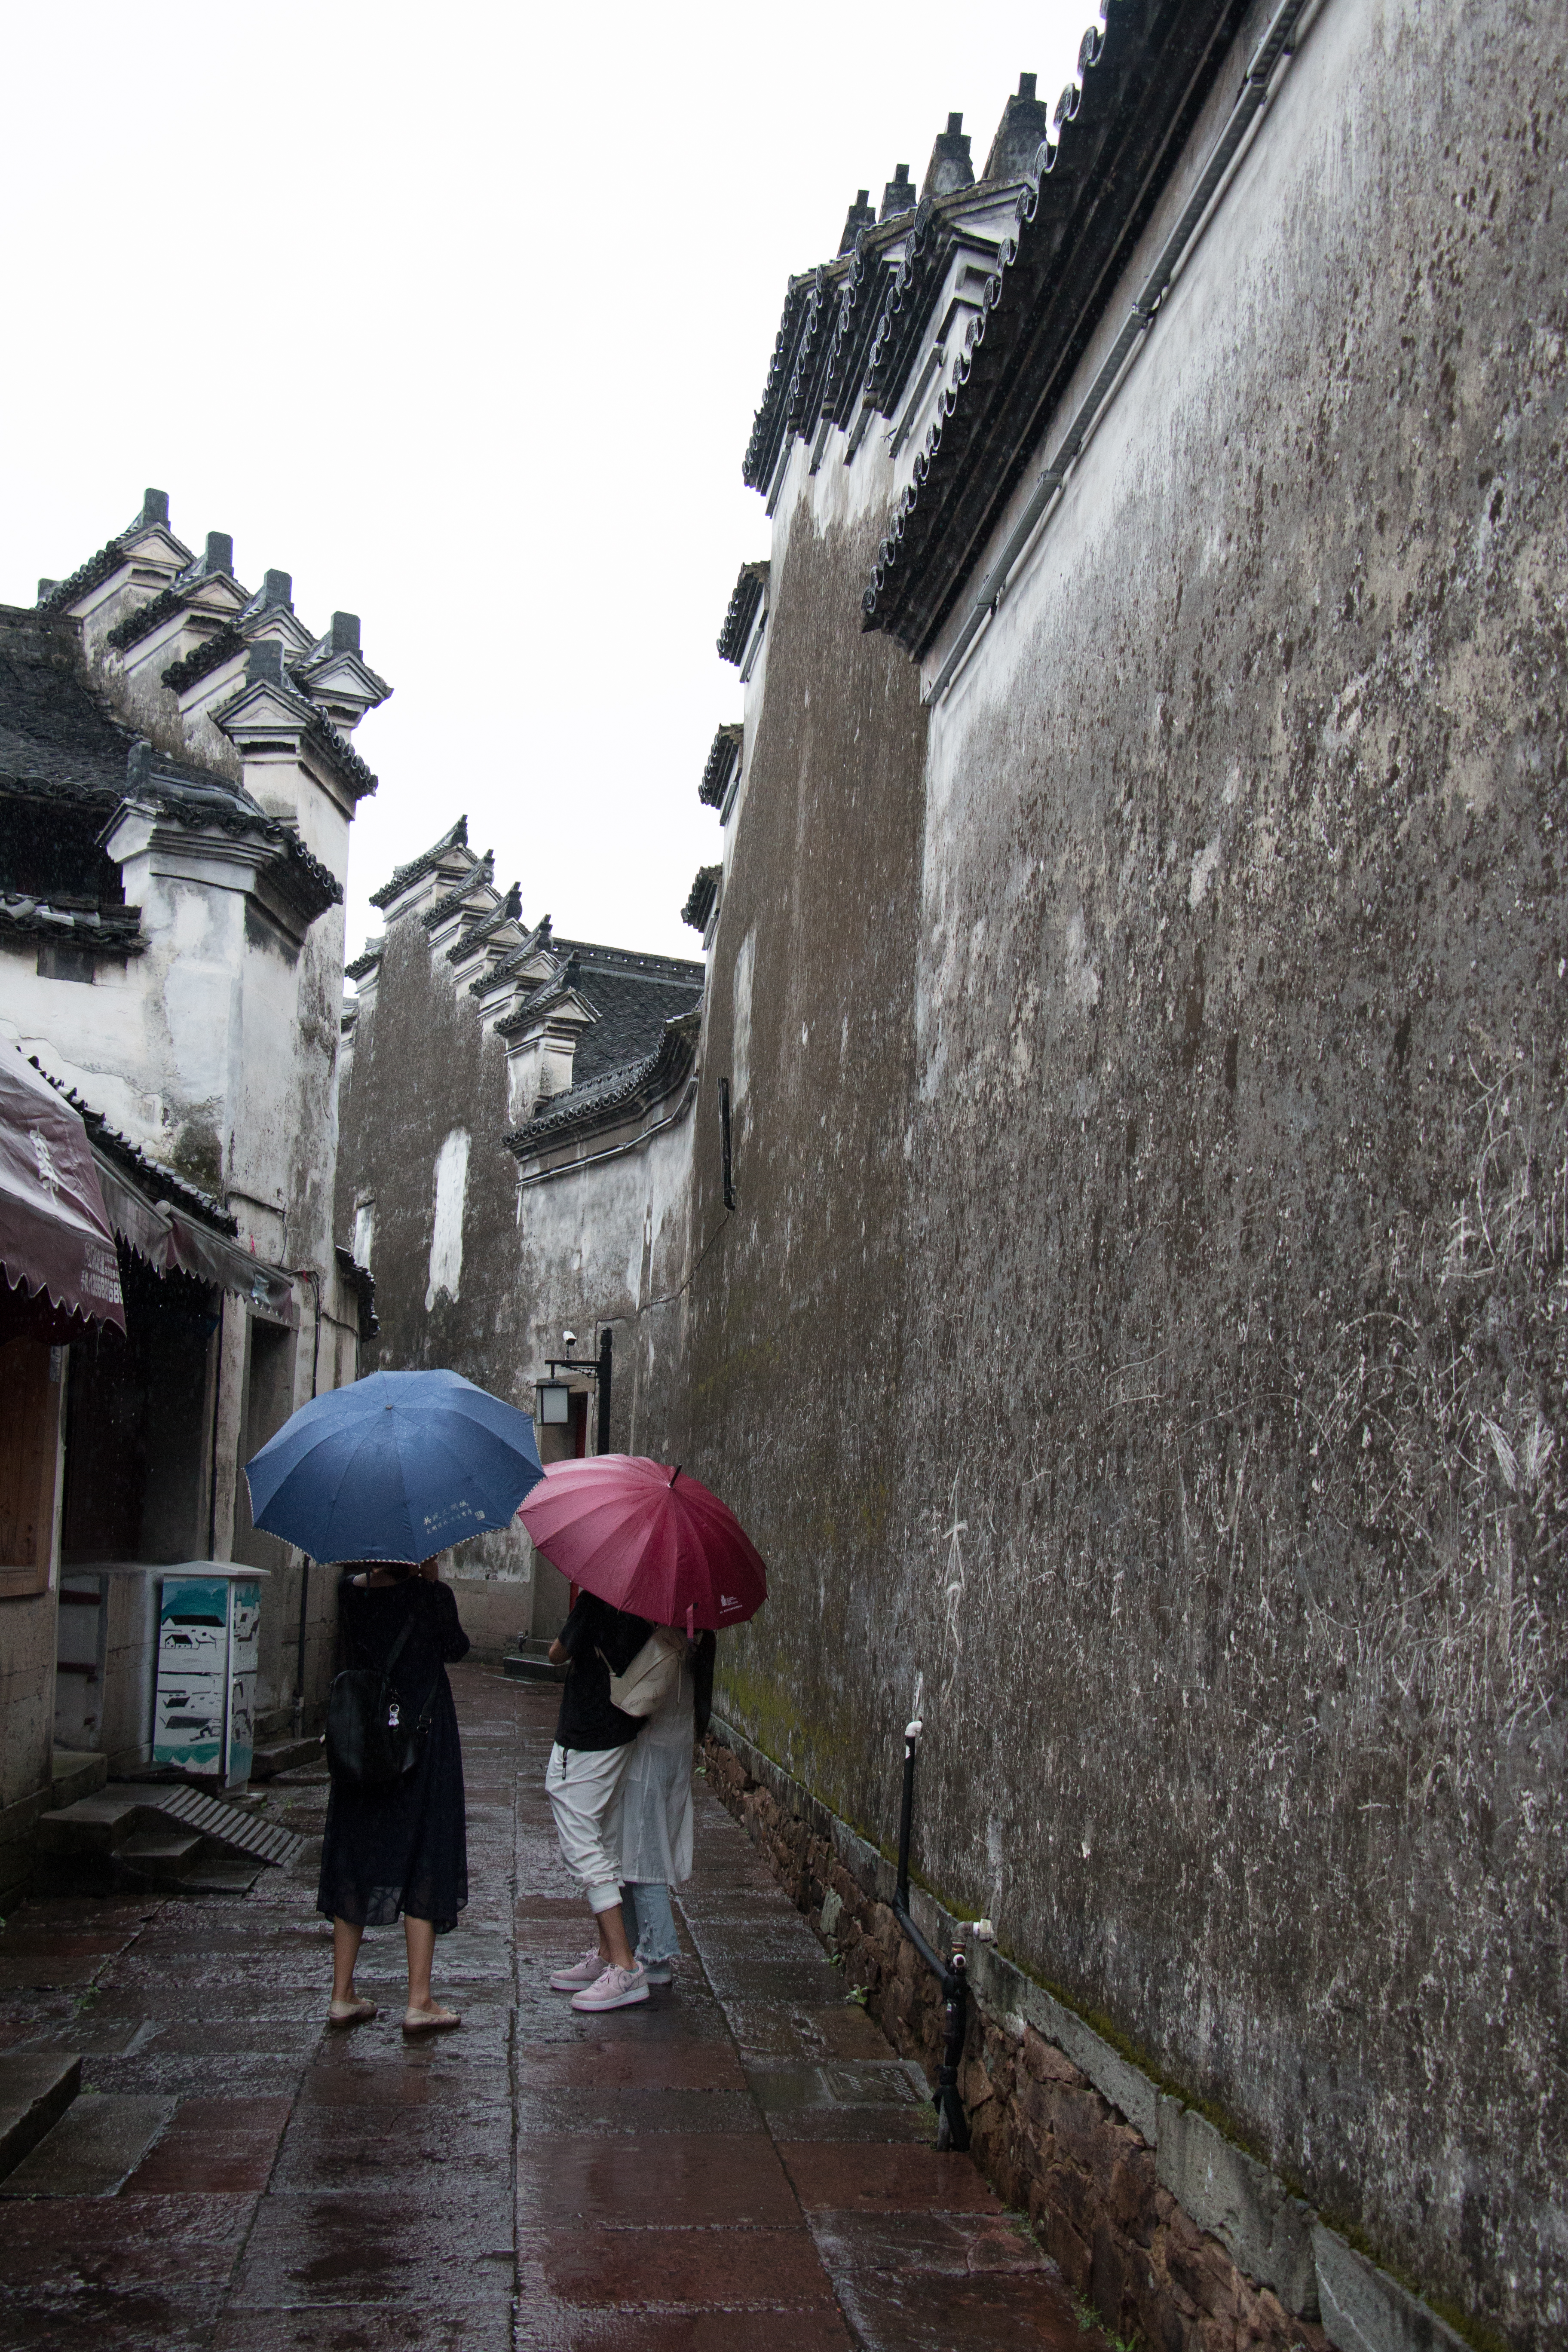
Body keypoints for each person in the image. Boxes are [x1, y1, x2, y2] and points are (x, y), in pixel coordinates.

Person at [318, 1554, 470, 2035]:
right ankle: (419, 1999)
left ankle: (343, 1994)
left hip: (362, 1740)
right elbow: (456, 1648)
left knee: (354, 1849)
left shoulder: (349, 1592)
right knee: (424, 1848)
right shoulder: (431, 1598)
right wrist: (433, 1584)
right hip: (421, 1745)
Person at [544, 1588, 655, 2012]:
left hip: (588, 1734)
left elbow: (557, 1653)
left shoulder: (597, 1598)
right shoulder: (646, 1603)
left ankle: (625, 1967)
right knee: (603, 1837)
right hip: (620, 1729)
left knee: (586, 1843)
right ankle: (609, 1954)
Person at [615, 1629, 715, 1984]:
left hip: (652, 1755)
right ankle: (625, 1946)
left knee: (645, 1856)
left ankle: (656, 1953)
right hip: (670, 1753)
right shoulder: (697, 1645)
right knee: (636, 1853)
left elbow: (641, 1699)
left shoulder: (671, 1644)